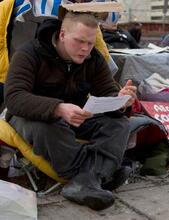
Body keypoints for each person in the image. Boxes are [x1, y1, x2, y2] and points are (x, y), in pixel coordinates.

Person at [4, 11, 137, 211]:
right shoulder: (29, 53)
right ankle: (100, 175)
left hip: (75, 117)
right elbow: (14, 98)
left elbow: (107, 91)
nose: (85, 49)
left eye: (90, 43)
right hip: (30, 116)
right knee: (50, 127)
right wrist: (57, 108)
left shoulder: (93, 58)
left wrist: (121, 100)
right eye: (79, 41)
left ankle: (86, 182)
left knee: (119, 123)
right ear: (63, 34)